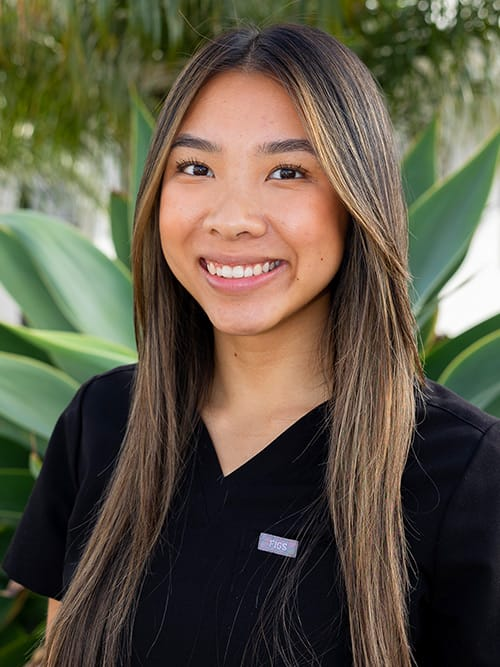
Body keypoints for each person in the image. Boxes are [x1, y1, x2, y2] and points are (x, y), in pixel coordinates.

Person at [3, 23, 500, 667]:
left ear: (357, 201)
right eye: (196, 167)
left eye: (287, 171)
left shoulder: (462, 474)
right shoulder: (103, 422)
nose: (232, 217)